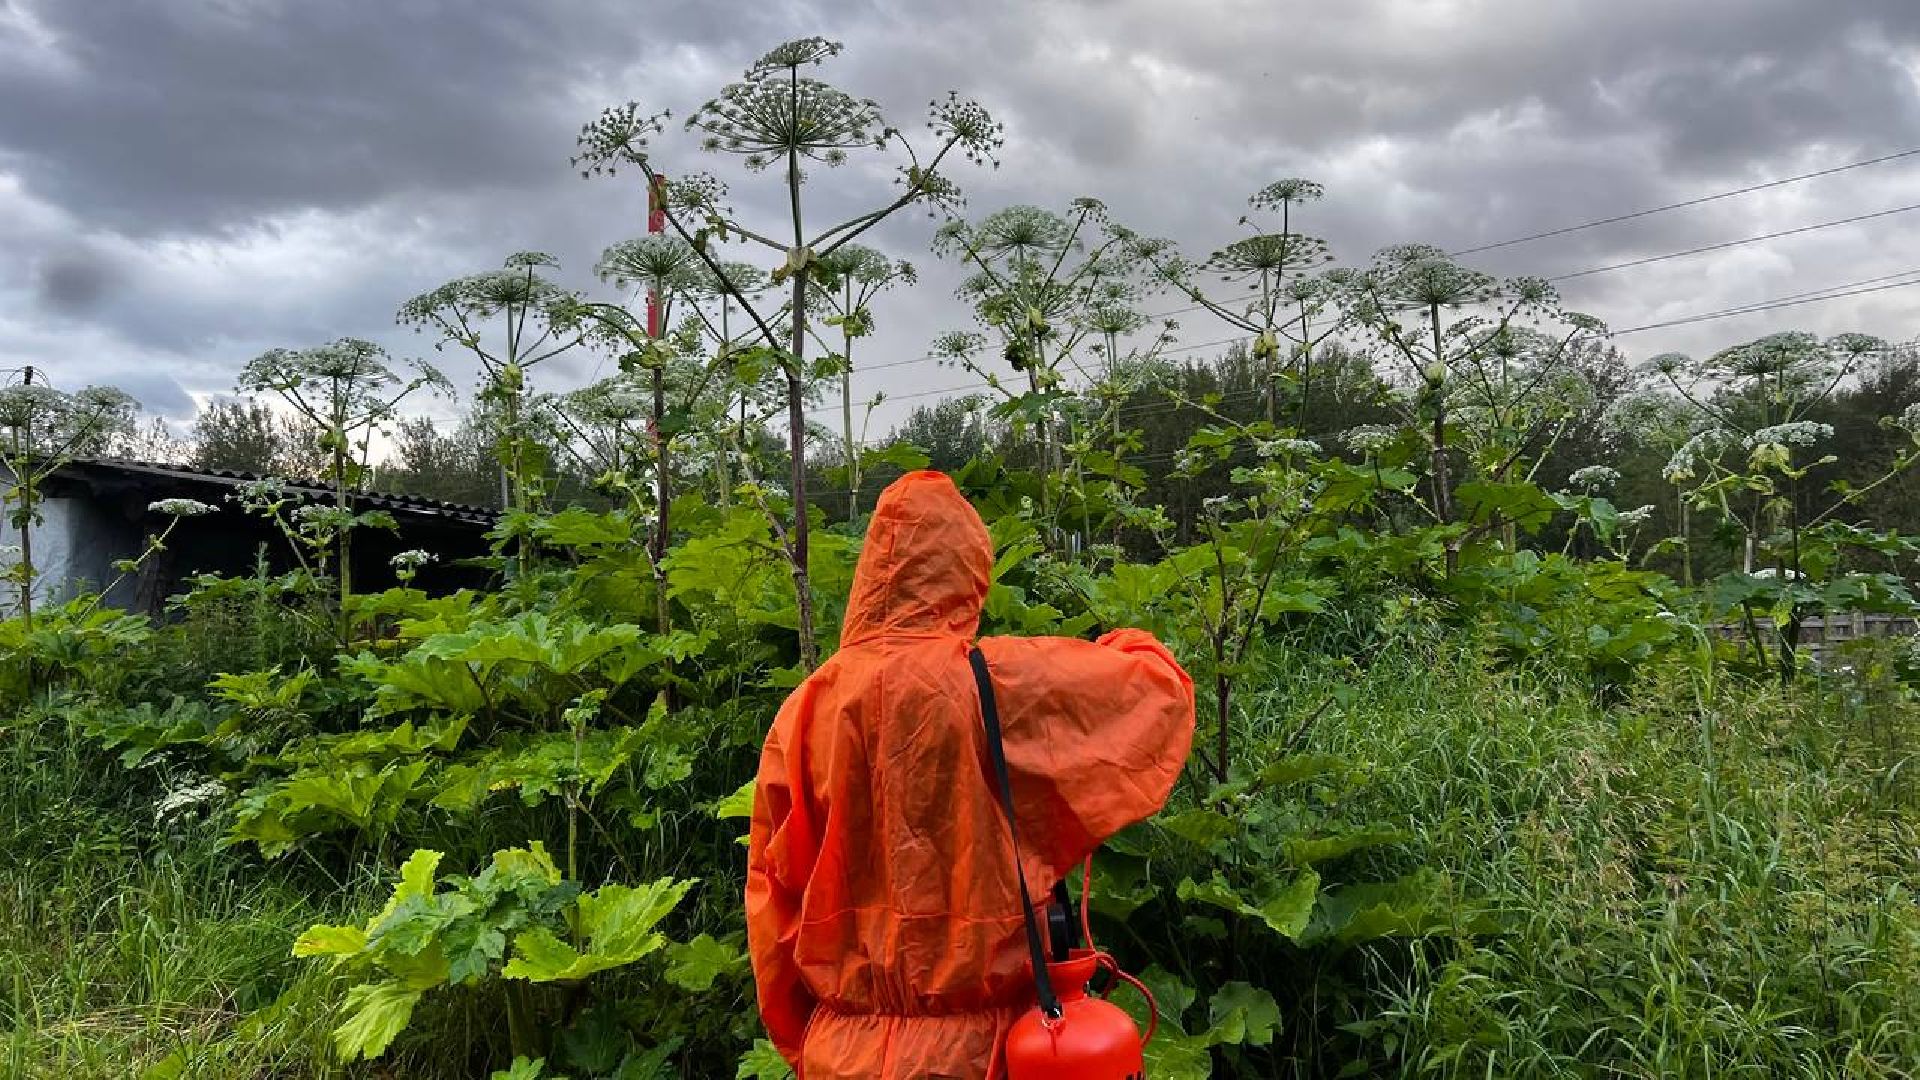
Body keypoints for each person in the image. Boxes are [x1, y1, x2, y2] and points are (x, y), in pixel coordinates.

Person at [746, 470, 1196, 1079]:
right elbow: (1158, 694)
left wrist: (816, 1044)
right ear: (966, 573)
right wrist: (1125, 641)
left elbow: (772, 906)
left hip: (840, 1051)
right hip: (982, 1054)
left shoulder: (802, 713)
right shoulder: (998, 684)